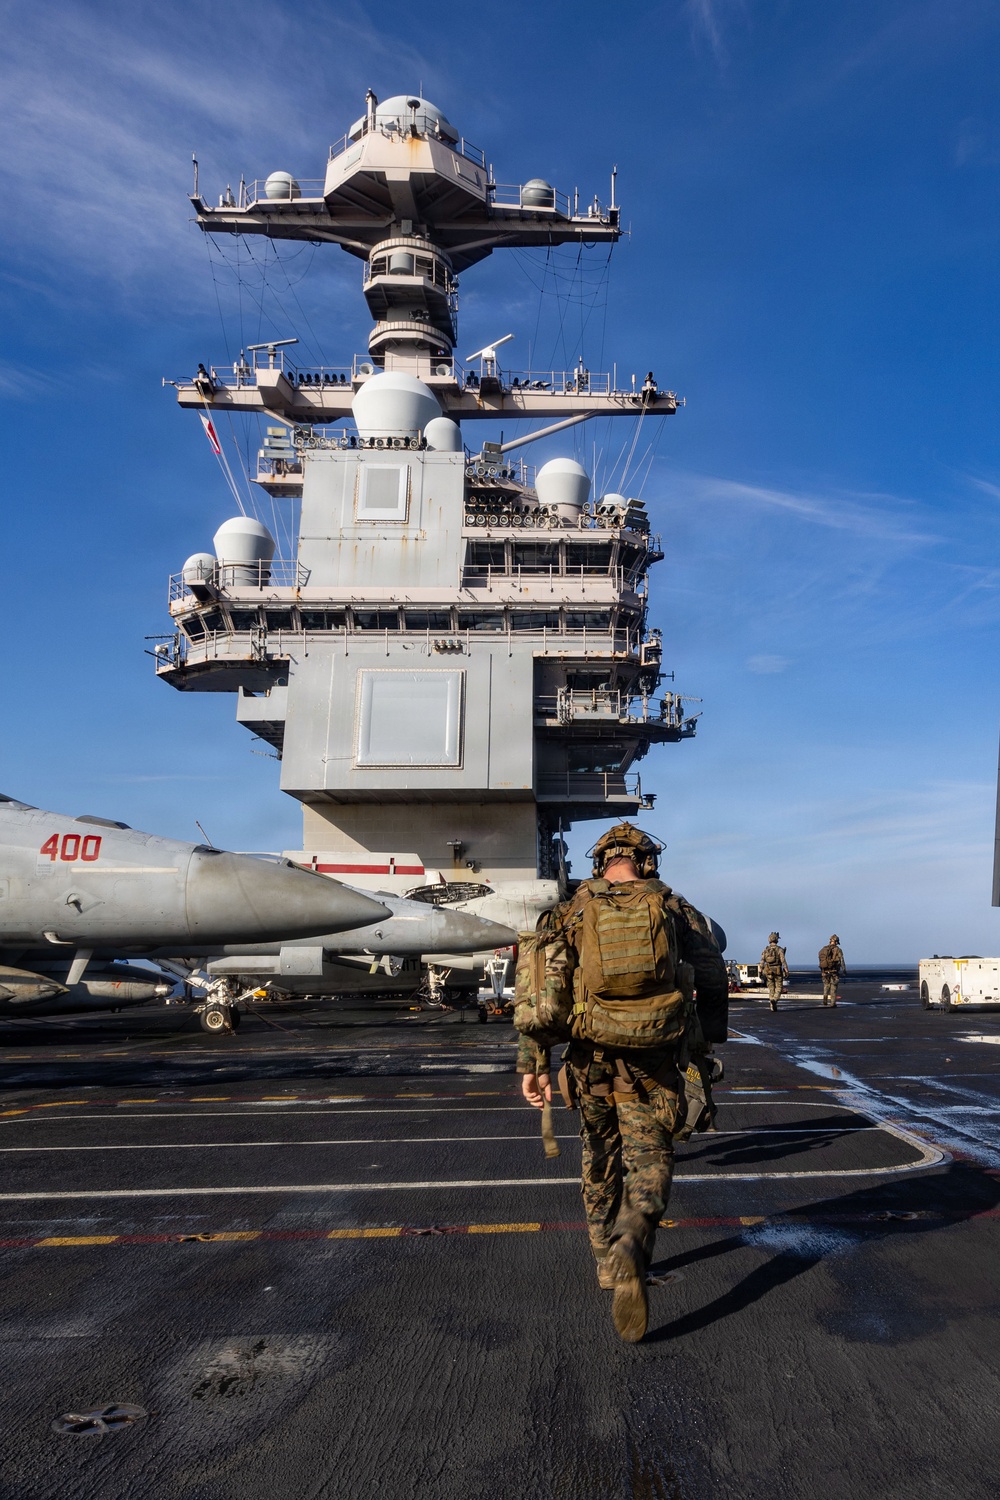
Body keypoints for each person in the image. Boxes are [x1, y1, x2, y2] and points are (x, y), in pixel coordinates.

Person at [515, 822, 728, 1344]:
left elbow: (541, 994)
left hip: (588, 1065)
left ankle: (606, 1263)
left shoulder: (569, 912)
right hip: (654, 1066)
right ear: (648, 860)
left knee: (599, 1159)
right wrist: (708, 1047)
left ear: (599, 862)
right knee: (651, 1162)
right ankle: (633, 1239)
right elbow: (713, 977)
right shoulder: (677, 909)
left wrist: (534, 1063)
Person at [759, 932, 788, 1011]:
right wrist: (786, 970)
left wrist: (760, 971)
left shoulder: (766, 950)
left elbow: (762, 961)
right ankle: (775, 1000)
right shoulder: (779, 949)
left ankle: (772, 1004)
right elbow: (783, 961)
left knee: (771, 988)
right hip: (778, 971)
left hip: (768, 971)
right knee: (779, 988)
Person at [818, 934, 845, 1006]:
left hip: (824, 971)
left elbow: (820, 960)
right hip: (834, 972)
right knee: (833, 987)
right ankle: (832, 1003)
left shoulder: (823, 950)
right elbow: (842, 961)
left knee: (826, 986)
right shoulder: (838, 950)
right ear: (836, 942)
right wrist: (844, 970)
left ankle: (825, 1000)